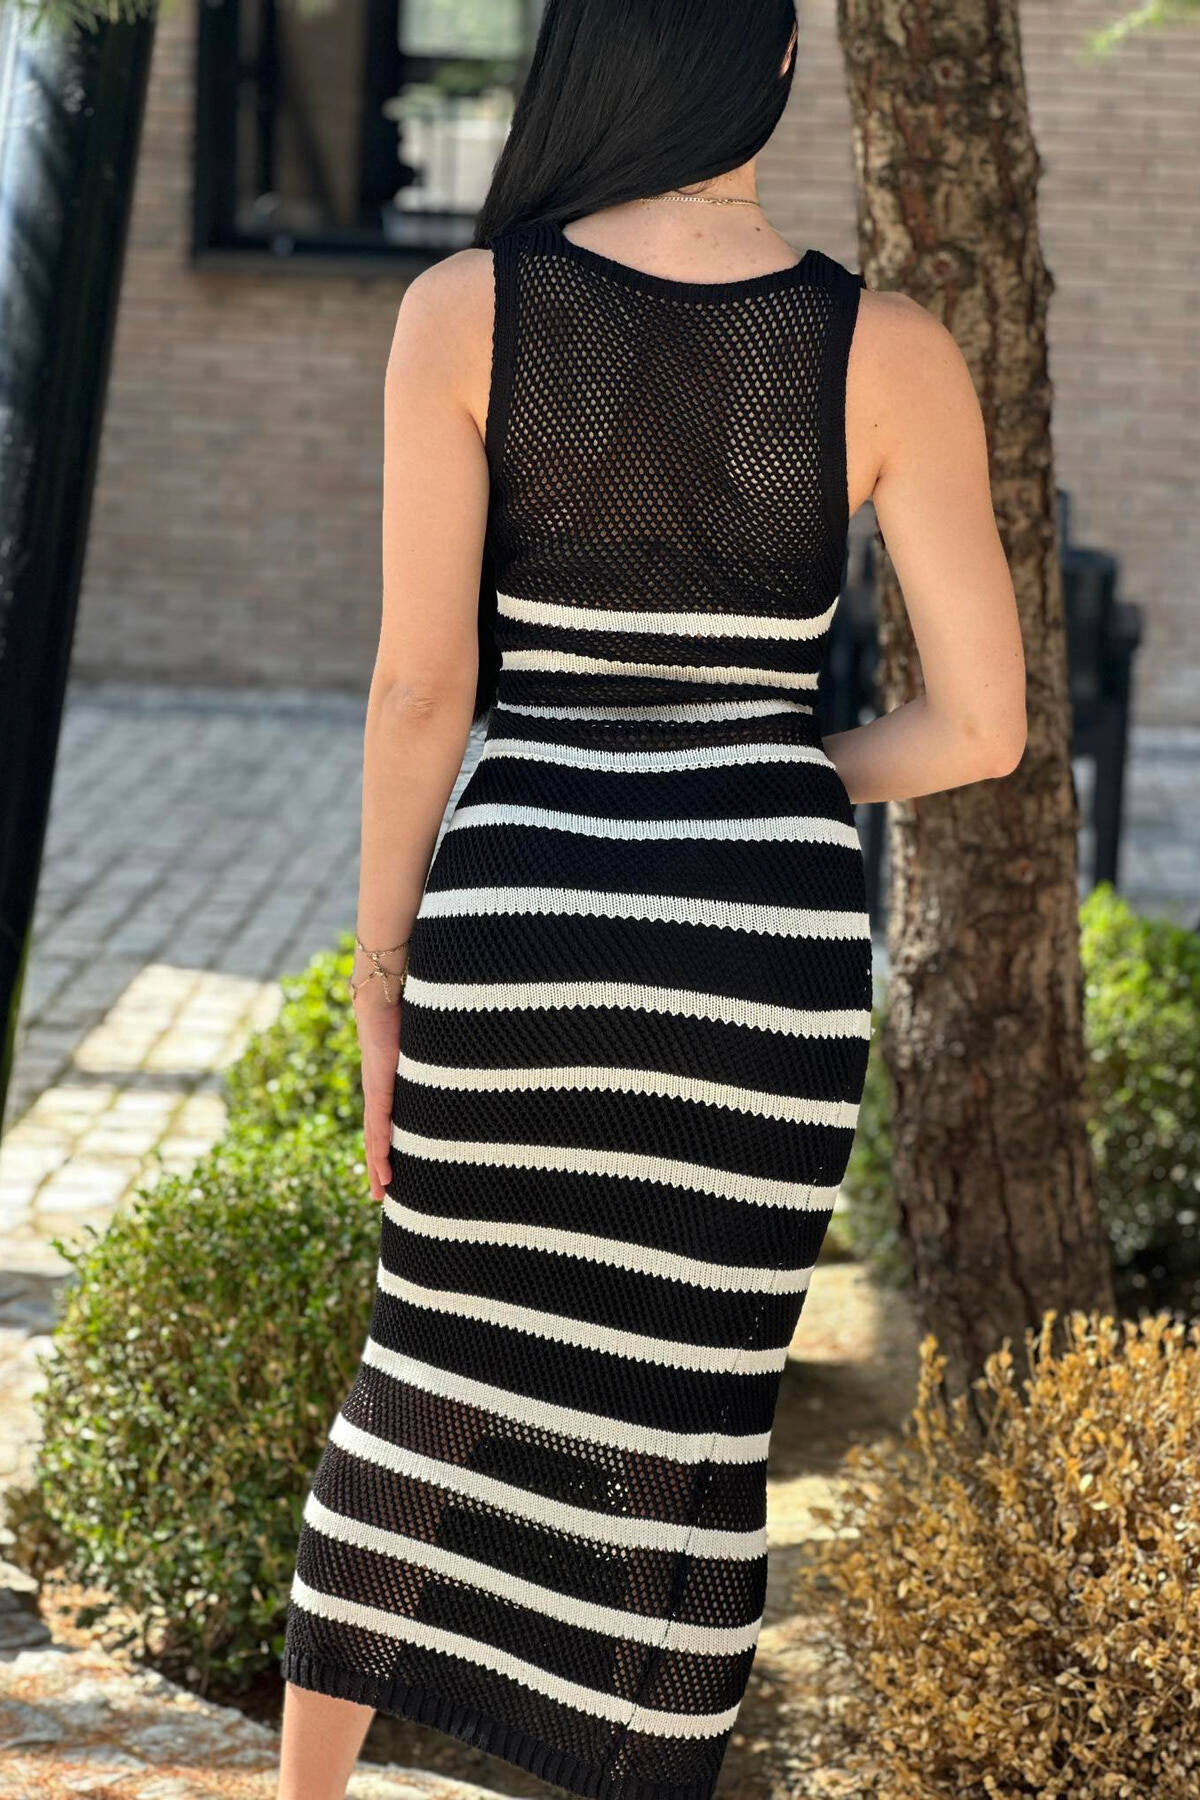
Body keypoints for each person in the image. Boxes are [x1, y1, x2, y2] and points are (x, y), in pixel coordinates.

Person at [275, 3, 1025, 1797]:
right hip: (760, 956)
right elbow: (982, 729)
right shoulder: (891, 351)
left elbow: (420, 694)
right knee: (694, 1439)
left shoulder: (465, 311)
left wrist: (382, 981)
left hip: (520, 920)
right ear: (778, 72)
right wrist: (759, 768)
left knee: (424, 1379)